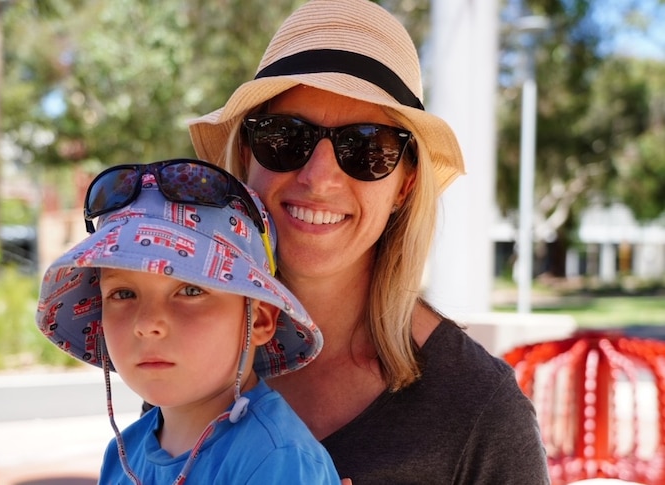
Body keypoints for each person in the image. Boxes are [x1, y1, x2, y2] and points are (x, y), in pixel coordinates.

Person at [187, 0, 551, 483]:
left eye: (366, 147)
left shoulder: (480, 409)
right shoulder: (190, 348)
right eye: (285, 136)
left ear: (404, 184)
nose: (319, 178)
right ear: (248, 156)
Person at [35, 158, 341, 484]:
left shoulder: (277, 459)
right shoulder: (124, 454)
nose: (148, 323)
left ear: (260, 319)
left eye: (190, 290)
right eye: (123, 294)